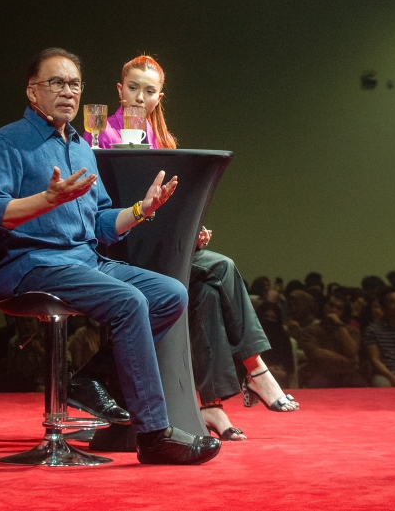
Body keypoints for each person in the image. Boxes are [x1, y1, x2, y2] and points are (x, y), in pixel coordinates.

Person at [0, 47, 218, 465]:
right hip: (32, 262)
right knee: (129, 301)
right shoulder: (7, 141)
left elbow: (101, 223)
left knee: (170, 294)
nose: (68, 92)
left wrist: (142, 209)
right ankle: (153, 435)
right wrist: (46, 199)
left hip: (84, 259)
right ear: (32, 91)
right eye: (56, 83)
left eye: (74, 84)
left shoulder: (81, 148)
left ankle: (88, 379)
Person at [88, 54, 298, 441]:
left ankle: (212, 405)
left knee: (208, 293)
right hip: (121, 247)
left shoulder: (163, 141)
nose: (139, 97)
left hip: (161, 246)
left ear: (159, 97)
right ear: (120, 90)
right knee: (222, 267)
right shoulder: (99, 135)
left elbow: (171, 207)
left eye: (148, 91)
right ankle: (255, 369)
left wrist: (193, 230)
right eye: (132, 88)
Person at [298, 294, 367, 388]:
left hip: (348, 373)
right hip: (322, 373)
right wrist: (349, 362)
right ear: (324, 307)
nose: (333, 310)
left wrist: (339, 326)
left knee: (361, 386)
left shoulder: (352, 331)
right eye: (330, 305)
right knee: (318, 383)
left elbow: (352, 351)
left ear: (344, 312)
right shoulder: (310, 330)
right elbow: (316, 353)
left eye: (339, 308)